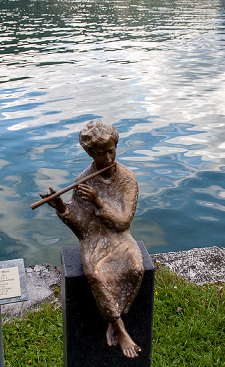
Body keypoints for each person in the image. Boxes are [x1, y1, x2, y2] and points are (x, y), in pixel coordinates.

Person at [40, 120, 144, 358]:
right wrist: (62, 208)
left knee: (136, 268)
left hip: (119, 236)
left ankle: (111, 315)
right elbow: (82, 225)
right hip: (95, 239)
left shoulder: (127, 179)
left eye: (111, 151)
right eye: (101, 153)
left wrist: (99, 201)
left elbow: (123, 222)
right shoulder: (83, 180)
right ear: (89, 153)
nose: (108, 158)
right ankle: (119, 326)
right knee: (95, 273)